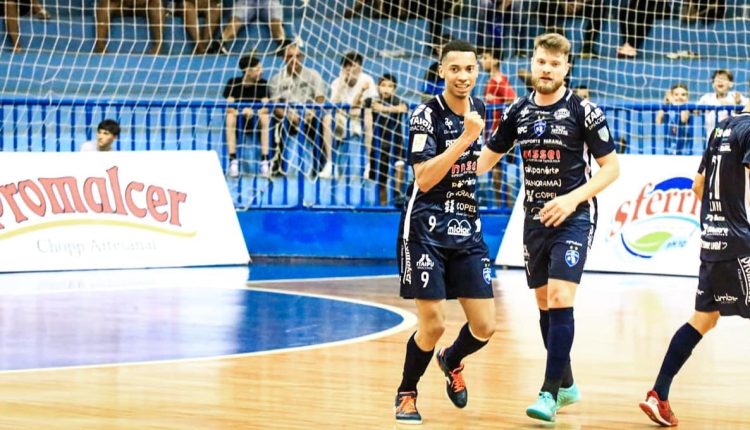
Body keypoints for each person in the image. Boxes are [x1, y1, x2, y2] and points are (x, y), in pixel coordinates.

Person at [477, 32, 620, 422]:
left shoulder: (583, 111)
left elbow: (612, 169)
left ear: (566, 68)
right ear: (533, 63)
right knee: (543, 302)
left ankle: (548, 393)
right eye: (542, 62)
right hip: (535, 219)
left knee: (559, 297)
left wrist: (572, 199)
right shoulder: (518, 111)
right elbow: (485, 160)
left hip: (573, 217)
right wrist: (448, 169)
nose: (547, 69)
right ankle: (567, 383)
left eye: (555, 64)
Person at [393, 39, 496, 425]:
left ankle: (451, 359)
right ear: (442, 71)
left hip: (467, 226)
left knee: (485, 326)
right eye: (455, 69)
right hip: (425, 228)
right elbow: (424, 176)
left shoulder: (480, 108)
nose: (463, 77)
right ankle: (406, 393)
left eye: (469, 69)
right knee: (433, 323)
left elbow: (477, 165)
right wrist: (465, 139)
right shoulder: (424, 115)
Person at [638, 99, 750, 428]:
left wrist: (721, 221)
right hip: (740, 242)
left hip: (713, 241)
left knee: (704, 318)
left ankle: (658, 394)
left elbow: (697, 185)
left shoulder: (723, 126)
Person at [268, 43, 332, 177]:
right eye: (290, 56)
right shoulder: (276, 79)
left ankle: (319, 166)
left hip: (309, 115)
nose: (294, 60)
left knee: (318, 125)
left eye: (297, 56)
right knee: (275, 123)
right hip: (288, 117)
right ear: (284, 58)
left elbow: (320, 97)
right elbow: (274, 105)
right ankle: (277, 165)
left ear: (301, 57)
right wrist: (289, 116)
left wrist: (311, 113)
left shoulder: (313, 74)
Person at [329, 51, 378, 179]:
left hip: (360, 119)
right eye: (347, 65)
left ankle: (369, 164)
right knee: (328, 118)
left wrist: (351, 110)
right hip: (343, 120)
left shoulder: (367, 80)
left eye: (354, 65)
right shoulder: (336, 82)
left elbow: (370, 105)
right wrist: (341, 85)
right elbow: (332, 106)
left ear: (360, 67)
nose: (350, 68)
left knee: (368, 116)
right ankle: (330, 164)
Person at [479, 48, 517, 207]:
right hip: (491, 130)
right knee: (496, 167)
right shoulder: (491, 81)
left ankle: (505, 204)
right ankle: (499, 203)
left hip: (502, 131)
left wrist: (495, 102)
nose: (482, 61)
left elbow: (513, 100)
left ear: (495, 60)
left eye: (485, 57)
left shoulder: (499, 81)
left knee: (501, 166)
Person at [223, 55, 270, 178]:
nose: (262, 71)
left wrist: (253, 112)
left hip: (255, 120)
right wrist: (242, 111)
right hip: (239, 118)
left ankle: (265, 161)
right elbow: (229, 106)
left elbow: (265, 107)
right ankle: (233, 161)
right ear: (248, 71)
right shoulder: (233, 83)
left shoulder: (263, 84)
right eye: (258, 69)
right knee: (230, 117)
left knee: (265, 118)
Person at [370, 73, 408, 205]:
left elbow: (403, 108)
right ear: (378, 87)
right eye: (384, 85)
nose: (386, 89)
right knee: (381, 180)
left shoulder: (397, 100)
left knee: (400, 164)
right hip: (379, 144)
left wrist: (384, 109)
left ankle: (397, 193)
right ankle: (383, 206)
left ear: (394, 89)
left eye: (390, 86)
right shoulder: (373, 101)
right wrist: (361, 92)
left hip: (396, 142)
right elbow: (358, 106)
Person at [209, 0, 290, 55]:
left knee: (276, 22)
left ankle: (282, 44)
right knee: (235, 22)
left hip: (269, 2)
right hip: (246, 2)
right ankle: (221, 43)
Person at [536, 0, 604, 58]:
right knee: (544, 5)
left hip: (581, 5)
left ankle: (587, 46)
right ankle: (556, 39)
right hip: (560, 6)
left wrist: (581, 2)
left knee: (599, 5)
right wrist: (562, 2)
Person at [94, 0, 164, 54]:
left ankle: (158, 46)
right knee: (105, 4)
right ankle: (100, 45)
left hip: (142, 6)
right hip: (121, 5)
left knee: (157, 4)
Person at [697, 69, 748, 139]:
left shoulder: (736, 96)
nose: (720, 81)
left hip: (732, 139)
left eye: (723, 79)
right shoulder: (706, 98)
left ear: (730, 84)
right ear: (713, 84)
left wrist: (738, 104)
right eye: (717, 79)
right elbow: (694, 111)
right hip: (712, 138)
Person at [656, 83, 694, 155]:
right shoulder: (668, 109)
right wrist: (665, 102)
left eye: (683, 95)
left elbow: (683, 119)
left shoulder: (687, 108)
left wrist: (673, 102)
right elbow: (658, 120)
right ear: (671, 96)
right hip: (670, 146)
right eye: (676, 95)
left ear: (687, 97)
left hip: (683, 149)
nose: (680, 97)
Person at [421, 33, 451, 101]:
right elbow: (426, 96)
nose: (442, 51)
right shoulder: (432, 70)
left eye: (445, 48)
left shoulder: (463, 67)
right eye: (440, 48)